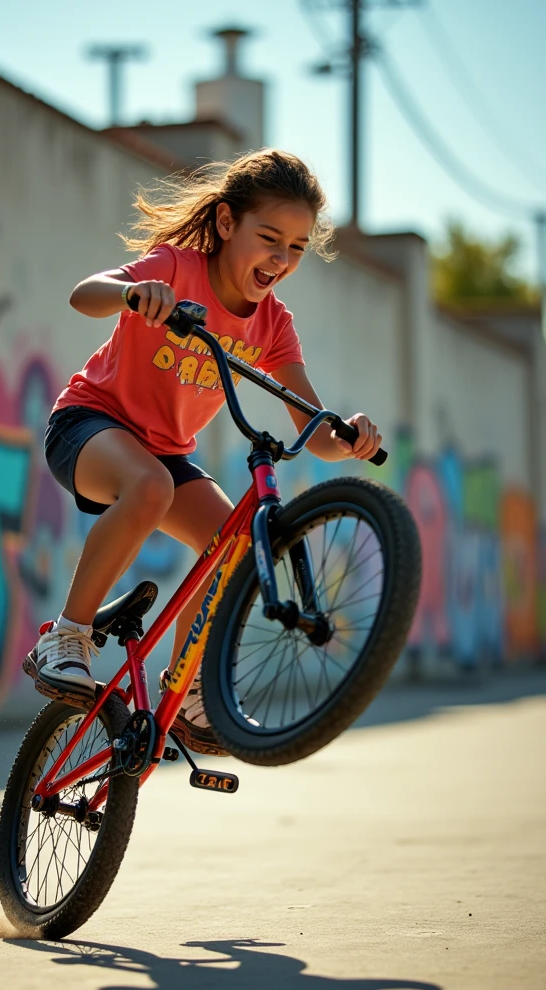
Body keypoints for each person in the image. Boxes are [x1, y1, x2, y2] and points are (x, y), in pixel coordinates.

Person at [24, 148, 382, 756]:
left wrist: (349, 436)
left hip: (163, 455)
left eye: (296, 248)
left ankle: (184, 693)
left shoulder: (272, 325)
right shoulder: (177, 268)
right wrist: (134, 293)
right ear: (224, 224)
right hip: (88, 425)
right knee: (151, 488)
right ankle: (67, 637)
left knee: (237, 544)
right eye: (269, 238)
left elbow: (314, 430)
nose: (281, 259)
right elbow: (85, 294)